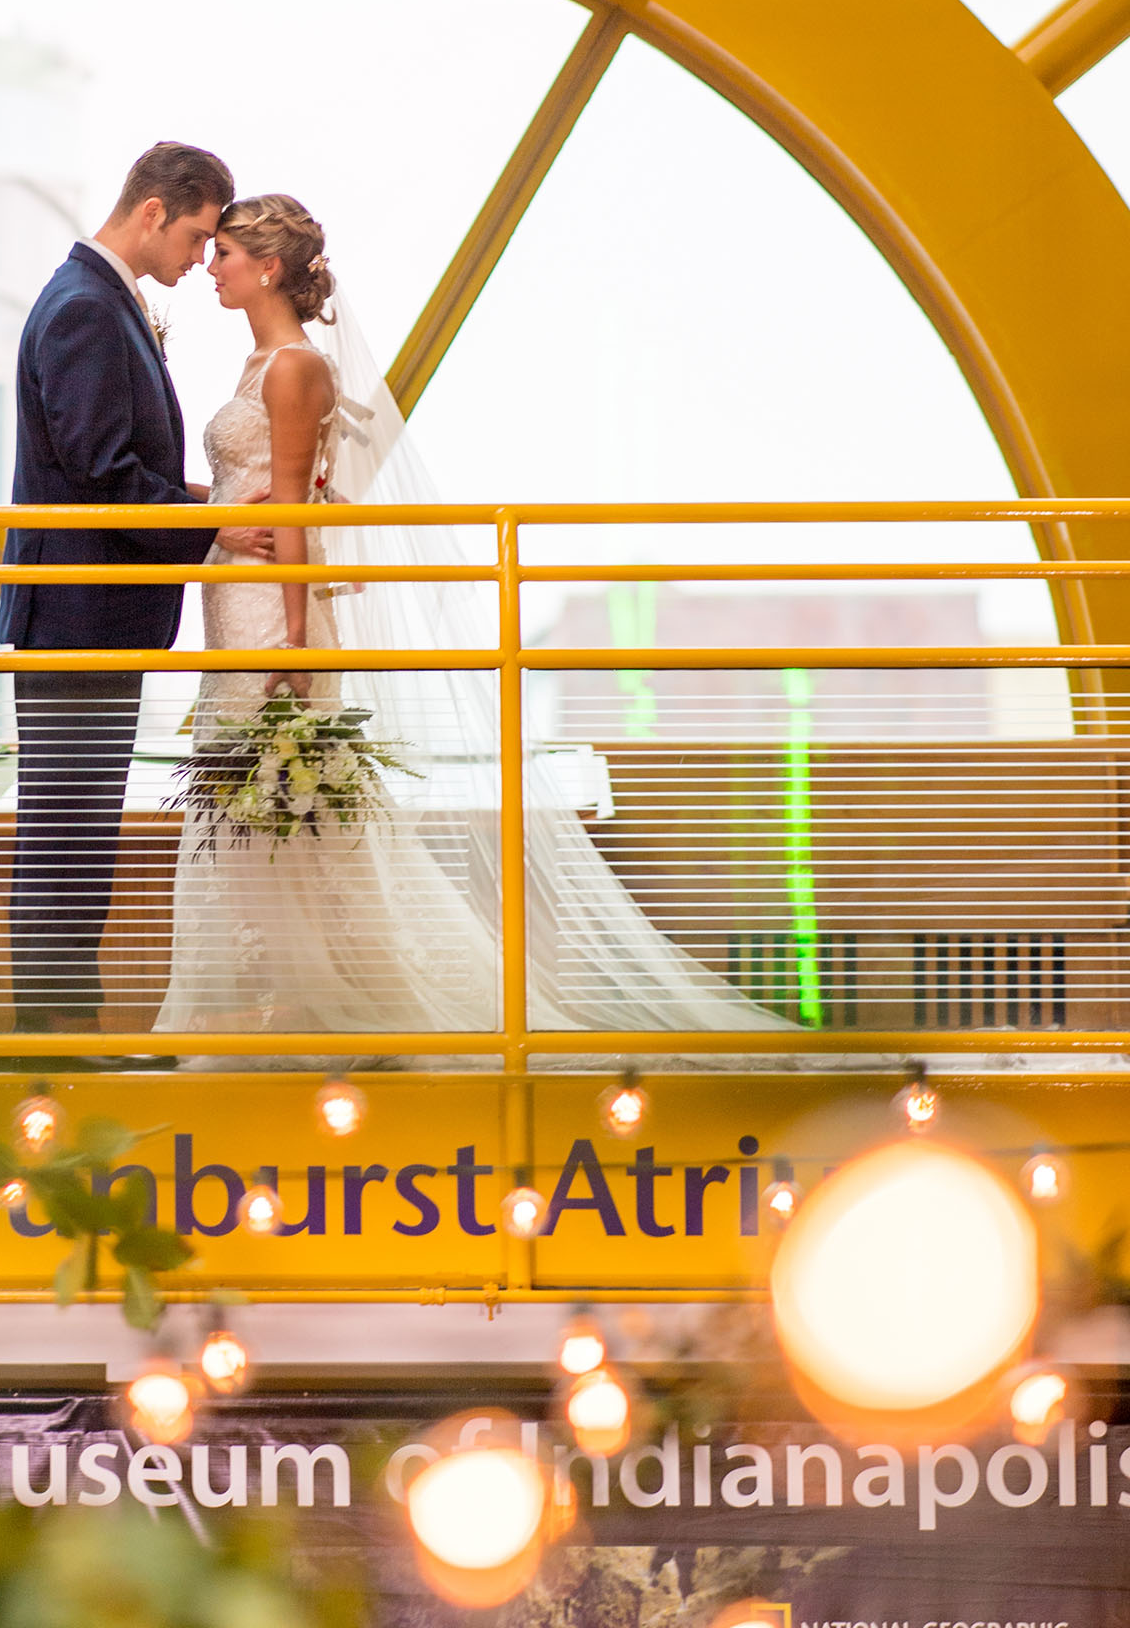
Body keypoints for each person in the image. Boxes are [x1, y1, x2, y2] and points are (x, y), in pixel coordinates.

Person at [155, 192, 784, 1039]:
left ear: (267, 266)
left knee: (285, 807)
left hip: (272, 605)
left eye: (223, 252)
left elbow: (299, 515)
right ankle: (285, 1004)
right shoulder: (257, 366)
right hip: (233, 598)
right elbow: (277, 487)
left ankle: (326, 1012)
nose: (210, 267)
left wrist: (298, 640)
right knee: (254, 804)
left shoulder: (297, 366)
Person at [0, 140, 235, 1032]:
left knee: (79, 835)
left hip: (86, 615)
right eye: (197, 235)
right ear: (152, 213)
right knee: (66, 839)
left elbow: (104, 464)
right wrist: (214, 525)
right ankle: (55, 1039)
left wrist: (202, 499)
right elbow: (102, 473)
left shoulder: (96, 299)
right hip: (77, 617)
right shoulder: (86, 308)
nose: (199, 258)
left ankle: (67, 1029)